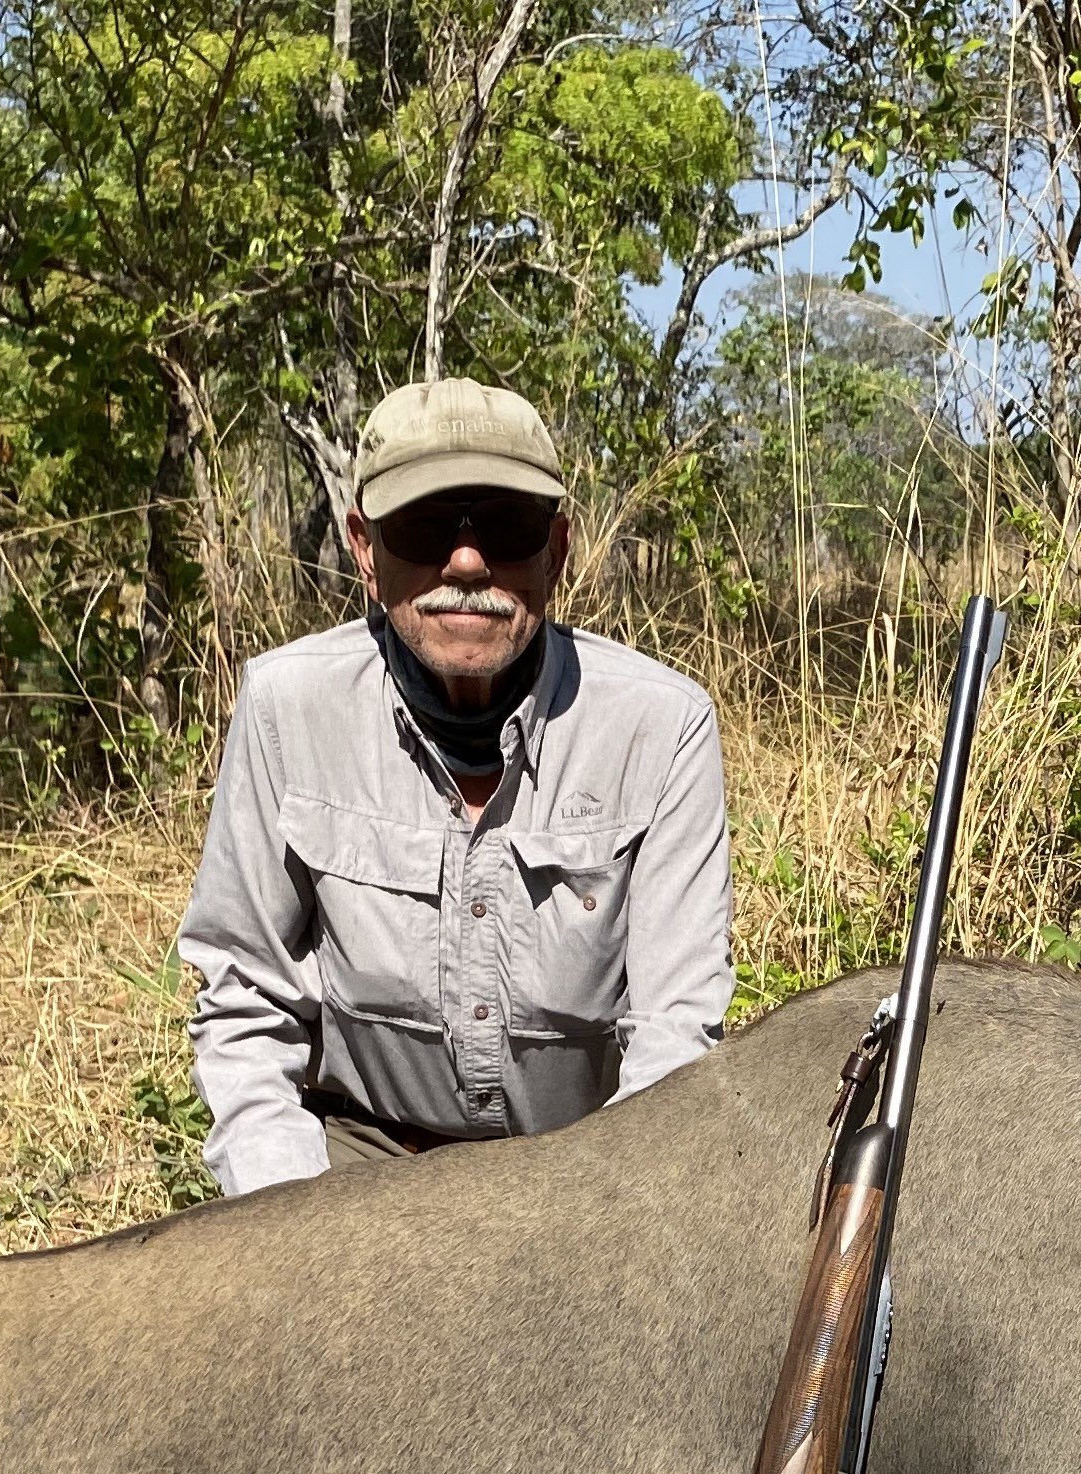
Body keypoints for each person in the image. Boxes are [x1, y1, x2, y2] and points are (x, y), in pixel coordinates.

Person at [175, 379, 734, 1191]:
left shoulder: (662, 728)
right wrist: (292, 1235)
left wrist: (609, 1227)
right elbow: (244, 1008)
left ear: (557, 552)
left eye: (505, 527)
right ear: (365, 548)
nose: (466, 562)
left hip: (580, 1174)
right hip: (357, 1170)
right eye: (428, 524)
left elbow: (675, 1038)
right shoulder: (285, 709)